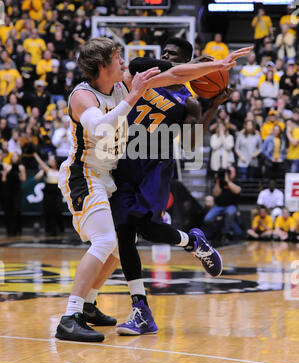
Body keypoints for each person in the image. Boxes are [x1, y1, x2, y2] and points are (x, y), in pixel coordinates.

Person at [55, 37, 251, 342]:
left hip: (148, 166)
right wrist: (134, 94)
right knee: (116, 237)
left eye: (173, 55)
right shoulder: (121, 87)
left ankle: (90, 304)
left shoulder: (171, 95)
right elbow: (102, 125)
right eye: (164, 53)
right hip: (113, 166)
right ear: (105, 66)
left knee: (132, 236)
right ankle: (98, 310)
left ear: (186, 60)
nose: (165, 57)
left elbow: (187, 130)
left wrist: (217, 69)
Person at [33, 152, 64, 237]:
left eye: (52, 160)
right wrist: (35, 154)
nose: (50, 161)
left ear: (56, 162)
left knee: (57, 211)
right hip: (48, 194)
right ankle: (50, 229)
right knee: (49, 211)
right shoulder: (47, 170)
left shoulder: (61, 171)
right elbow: (41, 163)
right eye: (50, 160)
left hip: (57, 195)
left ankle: (60, 228)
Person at [1, 152, 26, 236]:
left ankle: (17, 229)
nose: (14, 157)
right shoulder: (7, 166)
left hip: (17, 190)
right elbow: (3, 179)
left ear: (18, 158)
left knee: (16, 209)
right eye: (13, 156)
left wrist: (17, 175)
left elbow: (23, 179)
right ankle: (10, 229)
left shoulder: (21, 167)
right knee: (8, 209)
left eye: (16, 156)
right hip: (8, 190)